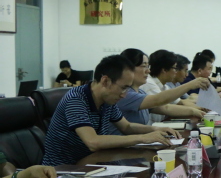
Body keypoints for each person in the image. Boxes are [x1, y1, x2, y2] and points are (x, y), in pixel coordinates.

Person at [42, 55, 183, 166]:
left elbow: (127, 127)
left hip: (93, 163)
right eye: (123, 88)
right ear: (105, 81)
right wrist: (142, 138)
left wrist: (155, 130)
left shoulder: (107, 100)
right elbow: (93, 142)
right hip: (64, 170)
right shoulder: (76, 99)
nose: (124, 95)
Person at [116, 49, 208, 126]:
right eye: (144, 66)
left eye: (148, 66)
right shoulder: (126, 94)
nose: (148, 71)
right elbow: (158, 100)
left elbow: (165, 108)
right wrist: (189, 85)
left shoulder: (140, 92)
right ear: (128, 68)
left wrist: (194, 111)